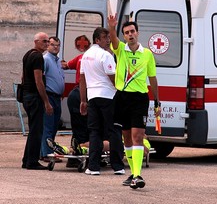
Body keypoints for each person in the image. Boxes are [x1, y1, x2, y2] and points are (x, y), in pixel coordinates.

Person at [108, 15, 161, 188]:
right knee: (127, 138)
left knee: (137, 136)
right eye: (126, 33)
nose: (130, 34)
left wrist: (157, 101)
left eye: (132, 31)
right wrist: (111, 27)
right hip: (122, 98)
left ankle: (137, 175)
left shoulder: (147, 54)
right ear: (123, 36)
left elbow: (152, 78)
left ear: (138, 33)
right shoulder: (120, 49)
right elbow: (114, 41)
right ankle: (133, 173)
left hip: (139, 99)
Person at [80, 27, 125, 175]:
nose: (108, 40)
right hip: (108, 97)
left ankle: (93, 167)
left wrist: (83, 100)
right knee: (114, 130)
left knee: (95, 132)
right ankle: (118, 166)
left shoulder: (85, 56)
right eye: (105, 37)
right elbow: (113, 78)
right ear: (97, 40)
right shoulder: (105, 55)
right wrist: (121, 92)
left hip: (93, 97)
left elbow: (82, 79)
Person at [21, 32, 53, 170]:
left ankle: (26, 160)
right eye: (44, 41)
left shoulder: (28, 54)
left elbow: (23, 76)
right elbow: (38, 80)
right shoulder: (38, 56)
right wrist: (46, 102)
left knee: (34, 129)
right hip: (34, 97)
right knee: (37, 130)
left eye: (48, 41)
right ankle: (32, 162)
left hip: (27, 96)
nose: (47, 44)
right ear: (36, 41)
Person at [61, 35, 91, 167]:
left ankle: (74, 158)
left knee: (78, 127)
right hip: (86, 94)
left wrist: (57, 62)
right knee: (89, 127)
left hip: (76, 94)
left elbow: (65, 66)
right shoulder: (98, 58)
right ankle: (82, 157)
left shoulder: (80, 58)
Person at [40, 37, 65, 162]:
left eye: (58, 45)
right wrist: (46, 101)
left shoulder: (58, 60)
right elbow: (41, 79)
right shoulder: (45, 59)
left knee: (54, 125)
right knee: (48, 126)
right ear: (48, 46)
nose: (55, 47)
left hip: (57, 97)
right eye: (53, 45)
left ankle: (47, 150)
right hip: (49, 96)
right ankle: (46, 154)